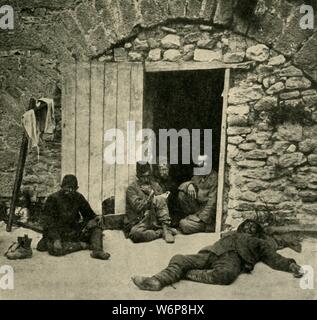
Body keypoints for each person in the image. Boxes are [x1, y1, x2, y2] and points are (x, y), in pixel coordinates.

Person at [132, 219, 304, 291]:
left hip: (234, 258)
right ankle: (156, 281)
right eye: (246, 225)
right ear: (240, 227)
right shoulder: (228, 235)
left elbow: (273, 257)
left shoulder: (258, 242)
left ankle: (186, 274)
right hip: (211, 252)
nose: (249, 227)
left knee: (225, 275)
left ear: (257, 233)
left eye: (253, 227)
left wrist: (291, 265)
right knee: (179, 258)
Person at [38, 174, 110, 260]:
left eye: (73, 188)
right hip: (58, 232)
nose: (70, 190)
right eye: (67, 188)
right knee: (56, 249)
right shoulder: (53, 198)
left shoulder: (78, 197)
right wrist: (56, 239)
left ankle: (97, 251)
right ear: (62, 187)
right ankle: (82, 245)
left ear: (76, 188)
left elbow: (89, 214)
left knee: (96, 226)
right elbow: (48, 222)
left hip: (73, 230)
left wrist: (95, 219)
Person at [125, 161, 176, 243]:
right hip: (139, 221)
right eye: (143, 177)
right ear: (138, 176)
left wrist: (151, 192)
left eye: (148, 176)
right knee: (135, 234)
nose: (146, 179)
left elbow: (163, 202)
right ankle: (161, 232)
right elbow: (138, 207)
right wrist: (150, 197)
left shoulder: (155, 185)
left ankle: (166, 229)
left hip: (154, 218)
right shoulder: (131, 188)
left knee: (159, 198)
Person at [178, 155, 218, 234]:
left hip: (207, 215)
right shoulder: (198, 174)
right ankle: (191, 218)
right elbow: (185, 185)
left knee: (184, 224)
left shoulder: (214, 177)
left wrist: (201, 218)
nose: (201, 165)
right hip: (197, 210)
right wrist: (189, 184)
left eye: (204, 163)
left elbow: (212, 202)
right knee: (182, 194)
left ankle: (206, 226)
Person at [153, 161, 181, 227]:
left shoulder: (172, 183)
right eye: (162, 170)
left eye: (166, 169)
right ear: (158, 171)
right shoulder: (155, 183)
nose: (164, 172)